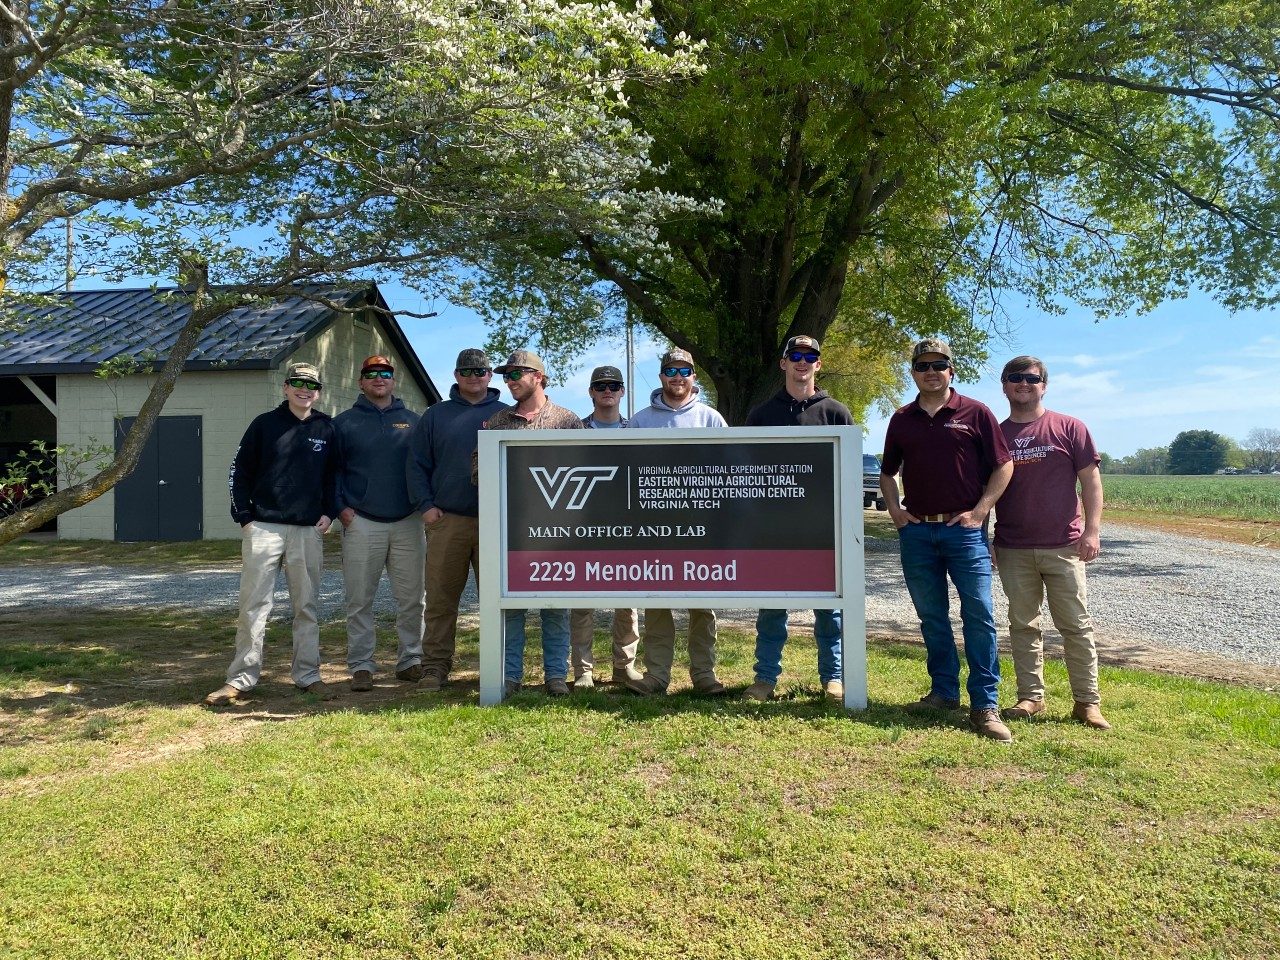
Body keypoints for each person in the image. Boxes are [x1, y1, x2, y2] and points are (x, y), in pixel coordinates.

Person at [879, 338, 1014, 741]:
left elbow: (1003, 466)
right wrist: (895, 512)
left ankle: (985, 705)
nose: (931, 371)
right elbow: (888, 473)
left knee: (979, 616)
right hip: (918, 533)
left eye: (939, 364)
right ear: (914, 373)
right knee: (932, 617)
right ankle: (942, 693)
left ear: (951, 370)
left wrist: (980, 510)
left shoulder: (976, 412)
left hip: (964, 534)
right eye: (923, 366)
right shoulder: (901, 418)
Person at [206, 361, 340, 705]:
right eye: (297, 383)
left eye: (311, 385)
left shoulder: (327, 429)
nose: (304, 390)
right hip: (264, 527)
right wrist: (245, 517)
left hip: (307, 530)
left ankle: (308, 675)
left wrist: (330, 512)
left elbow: (335, 477)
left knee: (306, 606)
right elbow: (239, 472)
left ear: (318, 392)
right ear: (285, 387)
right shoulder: (263, 425)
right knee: (253, 606)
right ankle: (240, 679)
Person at [993, 355, 1111, 730]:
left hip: (1065, 545)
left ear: (1044, 385)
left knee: (1075, 625)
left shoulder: (1069, 427)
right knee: (1023, 624)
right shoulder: (995, 433)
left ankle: (1087, 703)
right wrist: (986, 539)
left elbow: (1091, 482)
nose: (1023, 384)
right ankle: (1031, 697)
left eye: (1031, 378)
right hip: (1013, 546)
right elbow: (984, 491)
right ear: (1004, 385)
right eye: (1015, 378)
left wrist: (1092, 531)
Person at [743, 335, 852, 702]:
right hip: (774, 532)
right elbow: (749, 474)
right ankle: (765, 678)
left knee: (830, 609)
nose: (802, 362)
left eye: (810, 356)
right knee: (772, 608)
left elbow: (848, 474)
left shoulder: (836, 412)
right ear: (783, 363)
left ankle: (833, 678)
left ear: (818, 364)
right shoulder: (761, 414)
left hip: (825, 530)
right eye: (795, 356)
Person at [624, 347, 729, 697]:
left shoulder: (711, 419)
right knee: (657, 603)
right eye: (671, 371)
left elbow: (727, 471)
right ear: (661, 377)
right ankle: (657, 676)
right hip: (654, 528)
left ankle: (704, 675)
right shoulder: (639, 421)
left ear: (694, 377)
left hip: (702, 527)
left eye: (684, 371)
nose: (678, 377)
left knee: (703, 605)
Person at [406, 348, 508, 691]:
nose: (473, 376)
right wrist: (426, 506)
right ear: (456, 375)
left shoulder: (506, 414)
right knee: (440, 599)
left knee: (497, 600)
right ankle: (434, 666)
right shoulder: (435, 416)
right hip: (447, 519)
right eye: (466, 371)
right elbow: (417, 465)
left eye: (480, 371)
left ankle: (499, 667)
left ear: (490, 375)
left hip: (496, 522)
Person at [485, 349, 584, 696]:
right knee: (509, 608)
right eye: (506, 376)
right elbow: (477, 473)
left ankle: (556, 676)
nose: (509, 381)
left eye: (516, 375)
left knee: (555, 608)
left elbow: (583, 475)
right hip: (510, 534)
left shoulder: (569, 421)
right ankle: (510, 676)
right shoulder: (496, 423)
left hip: (556, 534)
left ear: (538, 376)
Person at [333, 355, 425, 692]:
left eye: (385, 373)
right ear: (361, 381)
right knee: (359, 599)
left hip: (408, 522)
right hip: (362, 522)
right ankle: (361, 665)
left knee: (413, 598)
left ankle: (411, 660)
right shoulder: (342, 423)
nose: (379, 378)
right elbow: (332, 472)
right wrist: (342, 509)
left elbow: (423, 468)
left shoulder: (414, 422)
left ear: (393, 380)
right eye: (372, 374)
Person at [569, 365, 642, 690]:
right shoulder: (574, 430)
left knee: (627, 603)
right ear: (591, 392)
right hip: (584, 527)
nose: (607, 390)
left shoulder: (636, 429)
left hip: (627, 527)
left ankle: (624, 668)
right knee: (581, 603)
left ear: (622, 391)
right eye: (600, 386)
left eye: (613, 385)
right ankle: (583, 671)